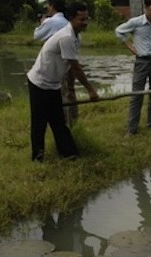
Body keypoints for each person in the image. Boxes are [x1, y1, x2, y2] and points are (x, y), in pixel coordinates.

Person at [26, 2, 99, 162]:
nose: (85, 22)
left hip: (53, 84)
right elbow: (76, 67)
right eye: (81, 19)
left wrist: (71, 90)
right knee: (39, 123)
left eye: (87, 19)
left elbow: (70, 67)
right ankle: (37, 159)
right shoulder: (66, 37)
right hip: (39, 82)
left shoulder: (76, 36)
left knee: (58, 121)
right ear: (71, 18)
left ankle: (69, 154)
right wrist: (90, 90)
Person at [114, 0, 151, 137]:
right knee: (137, 94)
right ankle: (131, 129)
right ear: (146, 8)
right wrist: (129, 46)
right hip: (141, 62)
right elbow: (119, 31)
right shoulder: (136, 22)